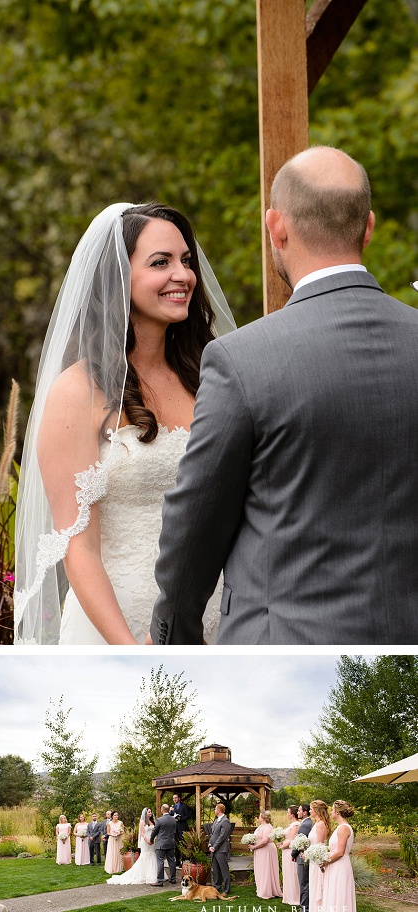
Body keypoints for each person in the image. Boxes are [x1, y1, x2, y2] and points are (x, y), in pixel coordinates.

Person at [150, 146, 418, 643]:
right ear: (369, 227)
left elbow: (194, 528)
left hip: (284, 648)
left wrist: (174, 642)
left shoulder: (243, 360)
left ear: (277, 227)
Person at [13, 202, 236, 644]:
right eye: (161, 262)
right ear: (118, 277)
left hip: (218, 619)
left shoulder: (212, 376)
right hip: (117, 626)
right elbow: (79, 546)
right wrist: (130, 651)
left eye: (186, 261)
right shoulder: (78, 392)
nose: (183, 276)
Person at [320, 800, 360, 912]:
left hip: (340, 866)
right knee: (334, 897)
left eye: (332, 810)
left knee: (339, 897)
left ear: (337, 812)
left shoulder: (343, 828)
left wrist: (325, 861)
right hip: (335, 865)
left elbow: (340, 852)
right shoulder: (341, 827)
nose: (331, 813)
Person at [107, 808, 160, 885]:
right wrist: (147, 841)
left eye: (151, 812)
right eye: (149, 812)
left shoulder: (152, 821)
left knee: (152, 855)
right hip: (145, 841)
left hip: (152, 841)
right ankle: (144, 874)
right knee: (145, 856)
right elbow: (142, 833)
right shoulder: (142, 822)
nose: (150, 813)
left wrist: (154, 839)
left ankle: (155, 873)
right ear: (145, 813)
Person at [307, 800, 331, 912]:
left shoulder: (321, 824)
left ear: (316, 810)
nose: (309, 811)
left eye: (311, 809)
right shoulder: (316, 823)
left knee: (318, 887)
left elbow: (320, 846)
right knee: (314, 886)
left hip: (317, 861)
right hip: (313, 860)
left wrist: (309, 854)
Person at [251, 810, 282, 899]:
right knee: (261, 869)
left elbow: (265, 840)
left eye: (260, 816)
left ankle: (267, 891)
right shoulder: (261, 826)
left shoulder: (267, 827)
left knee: (266, 869)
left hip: (266, 850)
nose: (258, 817)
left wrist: (254, 847)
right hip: (260, 850)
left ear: (264, 817)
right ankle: (262, 889)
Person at [293, 803, 314, 912]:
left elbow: (300, 842)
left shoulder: (305, 825)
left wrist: (293, 853)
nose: (298, 812)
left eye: (299, 810)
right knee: (305, 883)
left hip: (302, 857)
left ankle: (304, 909)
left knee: (304, 883)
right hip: (305, 856)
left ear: (305, 812)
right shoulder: (308, 823)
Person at [208, 803, 233, 895]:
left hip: (221, 850)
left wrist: (215, 847)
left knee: (224, 870)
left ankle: (227, 889)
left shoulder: (225, 821)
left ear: (219, 810)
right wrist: (210, 844)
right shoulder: (216, 821)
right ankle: (217, 887)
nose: (214, 810)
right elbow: (212, 834)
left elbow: (223, 836)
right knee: (215, 869)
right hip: (213, 849)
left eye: (215, 809)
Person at [150, 804, 178, 885]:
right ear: (168, 810)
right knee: (172, 861)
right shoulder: (173, 820)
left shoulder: (159, 820)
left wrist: (151, 840)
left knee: (160, 861)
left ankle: (159, 881)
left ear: (162, 810)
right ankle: (173, 878)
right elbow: (174, 831)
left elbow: (154, 832)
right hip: (171, 843)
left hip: (161, 844)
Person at [280, 805, 302, 908]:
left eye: (288, 812)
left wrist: (282, 845)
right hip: (285, 851)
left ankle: (295, 897)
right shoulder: (291, 824)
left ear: (293, 814)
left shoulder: (296, 825)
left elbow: (292, 840)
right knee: (287, 873)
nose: (287, 814)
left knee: (292, 873)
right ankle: (288, 896)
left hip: (290, 851)